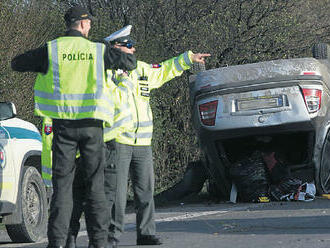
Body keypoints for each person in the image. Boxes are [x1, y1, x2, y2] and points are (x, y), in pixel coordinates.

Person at [11, 6, 137, 248]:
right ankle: (99, 242)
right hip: (92, 129)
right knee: (95, 188)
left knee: (63, 189)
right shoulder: (98, 50)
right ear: (82, 24)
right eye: (89, 23)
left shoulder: (52, 49)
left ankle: (57, 243)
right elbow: (129, 61)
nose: (90, 27)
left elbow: (17, 63)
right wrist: (115, 49)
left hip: (63, 130)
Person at [103, 25, 211, 247]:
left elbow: (164, 70)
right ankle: (110, 237)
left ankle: (146, 233)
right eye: (129, 45)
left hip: (142, 142)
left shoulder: (141, 69)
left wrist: (188, 58)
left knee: (145, 191)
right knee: (115, 194)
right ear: (116, 48)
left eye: (132, 45)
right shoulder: (103, 74)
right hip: (117, 141)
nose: (134, 49)